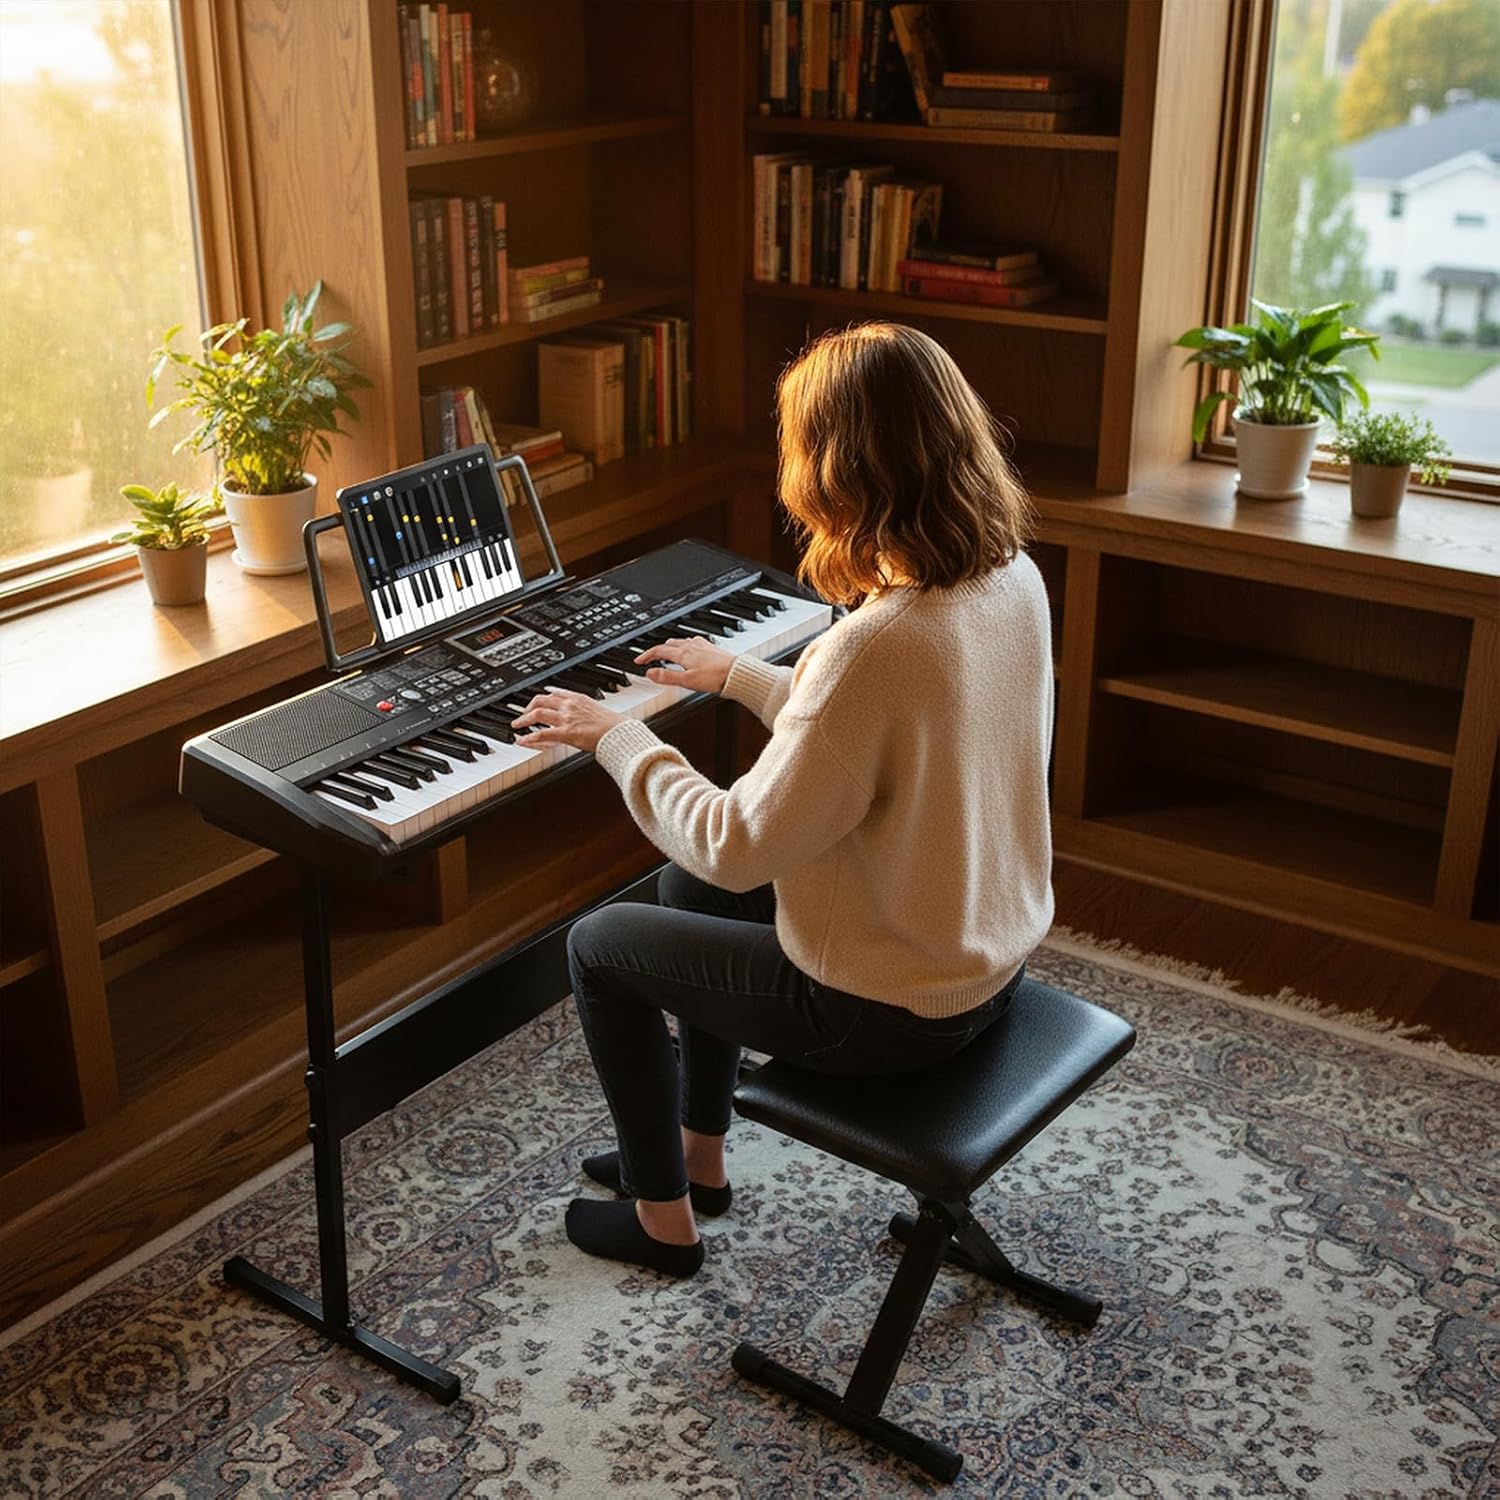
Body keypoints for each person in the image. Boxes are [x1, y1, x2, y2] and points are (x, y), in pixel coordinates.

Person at [510, 322, 1054, 1278]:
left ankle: (657, 1222)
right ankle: (697, 1160)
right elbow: (897, 740)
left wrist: (614, 736)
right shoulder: (1011, 580)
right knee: (689, 902)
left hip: (881, 1014)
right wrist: (744, 678)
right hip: (979, 964)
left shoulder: (875, 646)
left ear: (839, 473)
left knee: (602, 944)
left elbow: (733, 840)